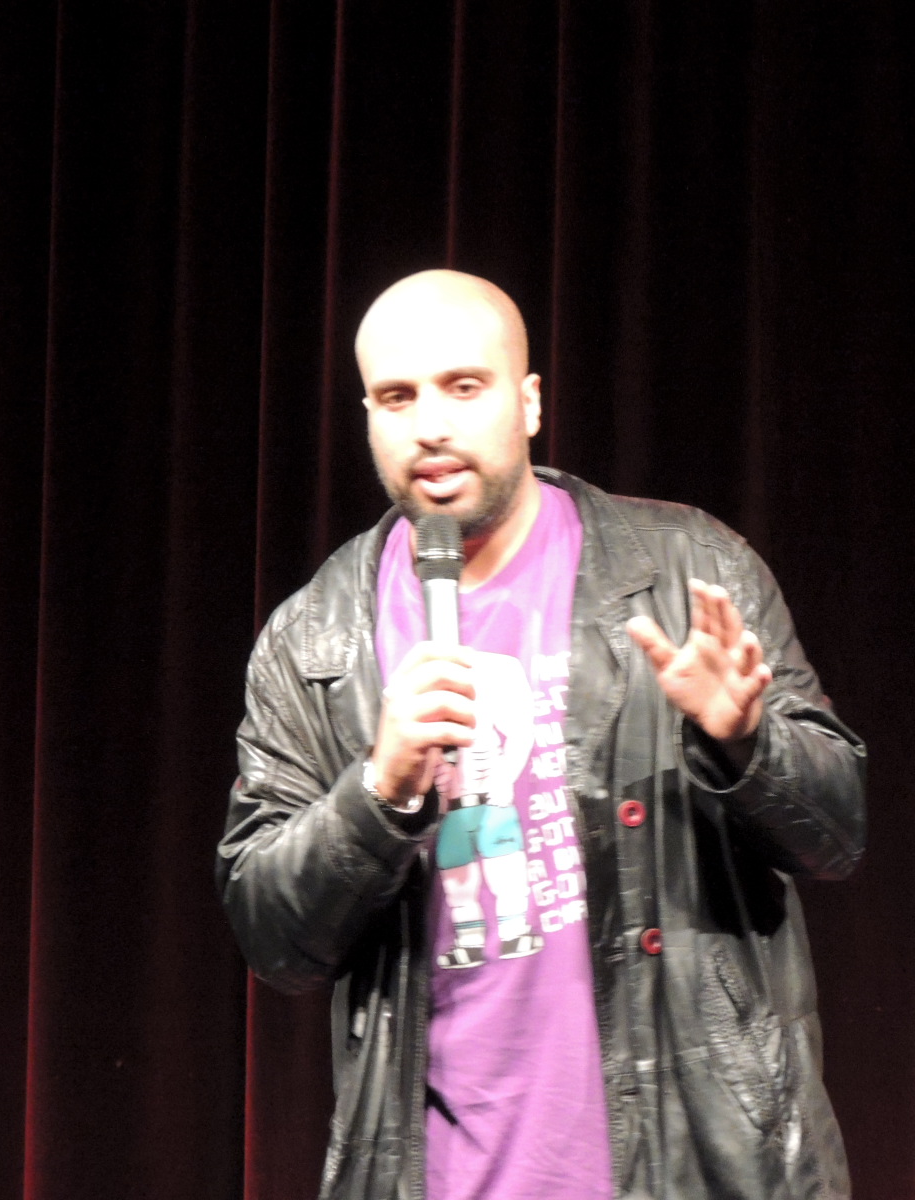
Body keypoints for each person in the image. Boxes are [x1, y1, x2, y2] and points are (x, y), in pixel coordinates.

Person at [216, 270, 866, 1200]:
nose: (430, 425)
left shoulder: (684, 569)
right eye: (398, 397)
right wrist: (377, 790)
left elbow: (838, 834)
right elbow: (275, 939)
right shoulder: (314, 640)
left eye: (463, 387)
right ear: (368, 418)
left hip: (690, 1167)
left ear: (527, 403)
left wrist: (744, 742)